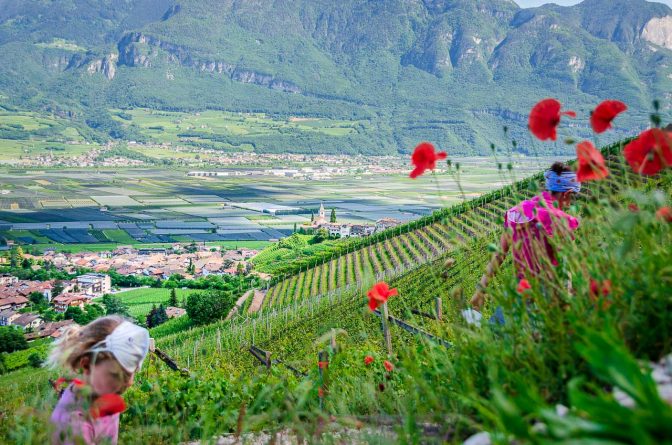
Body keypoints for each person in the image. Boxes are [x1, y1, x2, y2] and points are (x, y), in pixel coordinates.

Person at [465, 162, 581, 323]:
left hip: (520, 289)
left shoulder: (517, 212)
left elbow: (499, 255)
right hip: (548, 295)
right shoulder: (561, 220)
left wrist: (480, 291)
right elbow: (566, 265)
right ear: (567, 194)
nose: (571, 203)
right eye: (573, 196)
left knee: (497, 335)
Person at [48, 316, 150, 445]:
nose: (129, 383)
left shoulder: (103, 395)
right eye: (115, 375)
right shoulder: (76, 425)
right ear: (86, 365)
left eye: (132, 372)